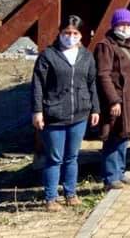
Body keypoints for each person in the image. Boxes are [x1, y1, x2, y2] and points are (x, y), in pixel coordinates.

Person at [31, 15, 100, 211]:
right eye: (67, 33)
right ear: (60, 33)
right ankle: (51, 197)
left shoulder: (86, 56)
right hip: (54, 114)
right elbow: (37, 85)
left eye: (75, 33)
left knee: (72, 157)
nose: (70, 37)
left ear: (81, 35)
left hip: (79, 114)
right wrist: (37, 111)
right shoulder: (48, 56)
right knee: (54, 158)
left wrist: (95, 108)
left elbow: (91, 83)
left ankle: (71, 193)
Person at [95, 8, 130, 190]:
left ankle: (120, 171)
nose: (125, 27)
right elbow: (103, 75)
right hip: (118, 100)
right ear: (114, 25)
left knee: (124, 136)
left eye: (128, 24)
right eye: (122, 24)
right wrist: (113, 100)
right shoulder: (106, 45)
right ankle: (110, 177)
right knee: (113, 137)